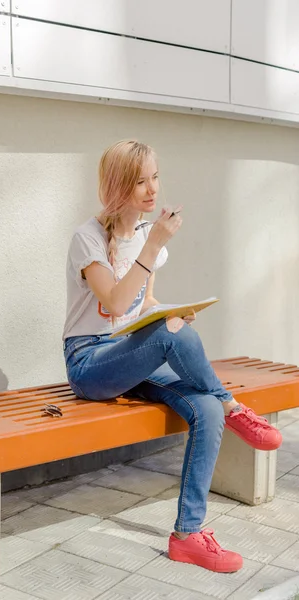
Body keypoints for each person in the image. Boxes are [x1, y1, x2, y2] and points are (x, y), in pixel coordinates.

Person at [62, 140, 282, 573]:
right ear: (117, 186)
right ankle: (232, 403)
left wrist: (173, 315)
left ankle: (188, 536)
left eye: (155, 177)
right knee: (185, 357)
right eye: (139, 180)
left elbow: (143, 306)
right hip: (90, 363)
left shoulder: (147, 235)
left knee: (204, 407)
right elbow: (117, 303)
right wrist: (151, 249)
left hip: (131, 354)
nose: (151, 189)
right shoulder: (86, 239)